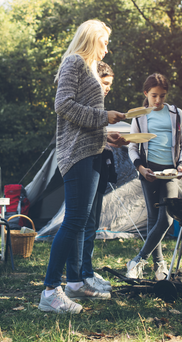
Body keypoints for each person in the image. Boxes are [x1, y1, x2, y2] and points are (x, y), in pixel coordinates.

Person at [38, 20, 127, 314]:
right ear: (92, 39)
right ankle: (50, 292)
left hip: (93, 150)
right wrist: (104, 118)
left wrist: (107, 135)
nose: (107, 47)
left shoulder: (88, 68)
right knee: (74, 220)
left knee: (83, 219)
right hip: (76, 155)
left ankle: (75, 283)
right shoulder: (73, 62)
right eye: (104, 42)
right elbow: (63, 106)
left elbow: (85, 118)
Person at [125, 73, 182, 281]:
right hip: (149, 172)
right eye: (154, 96)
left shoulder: (176, 114)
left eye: (162, 96)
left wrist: (181, 165)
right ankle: (159, 266)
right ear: (146, 93)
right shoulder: (139, 115)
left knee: (167, 218)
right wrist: (141, 168)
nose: (158, 100)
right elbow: (132, 146)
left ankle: (137, 260)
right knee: (154, 219)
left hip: (170, 172)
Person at [77, 60, 118, 295]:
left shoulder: (99, 105)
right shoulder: (87, 106)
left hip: (100, 169)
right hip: (87, 169)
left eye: (109, 85)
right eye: (105, 83)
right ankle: (82, 274)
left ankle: (87, 270)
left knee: (92, 225)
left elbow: (95, 136)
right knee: (84, 224)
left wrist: (110, 139)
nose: (107, 88)